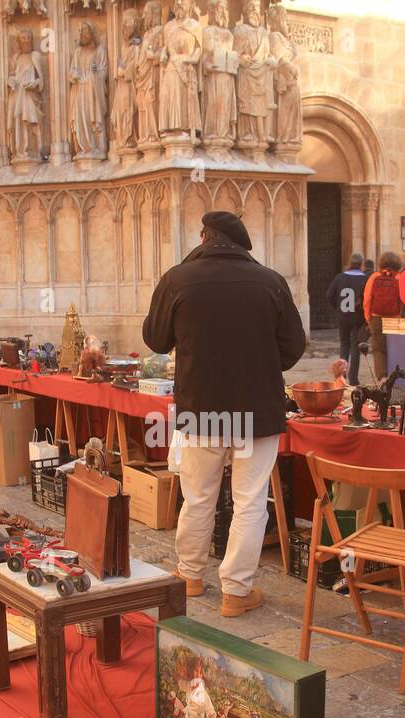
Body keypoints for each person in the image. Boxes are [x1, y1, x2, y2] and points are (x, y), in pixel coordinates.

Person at [143, 210, 305, 618]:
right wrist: (261, 364)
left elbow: (155, 340)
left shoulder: (177, 278)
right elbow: (294, 346)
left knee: (198, 496)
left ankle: (190, 576)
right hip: (256, 409)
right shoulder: (270, 281)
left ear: (203, 236)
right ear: (241, 243)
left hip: (201, 407)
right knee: (250, 502)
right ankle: (236, 591)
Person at [325, 252, 369, 386]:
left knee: (344, 344)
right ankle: (353, 379)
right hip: (358, 317)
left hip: (343, 316)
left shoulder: (340, 278)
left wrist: (338, 308)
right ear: (362, 265)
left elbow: (329, 295)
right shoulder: (365, 279)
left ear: (350, 264)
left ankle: (341, 377)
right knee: (356, 346)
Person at [361, 250, 405, 380]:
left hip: (377, 318)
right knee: (395, 348)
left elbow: (367, 299)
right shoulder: (399, 277)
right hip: (395, 319)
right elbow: (403, 300)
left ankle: (382, 378)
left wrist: (368, 318)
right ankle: (396, 376)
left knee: (378, 349)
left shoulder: (374, 277)